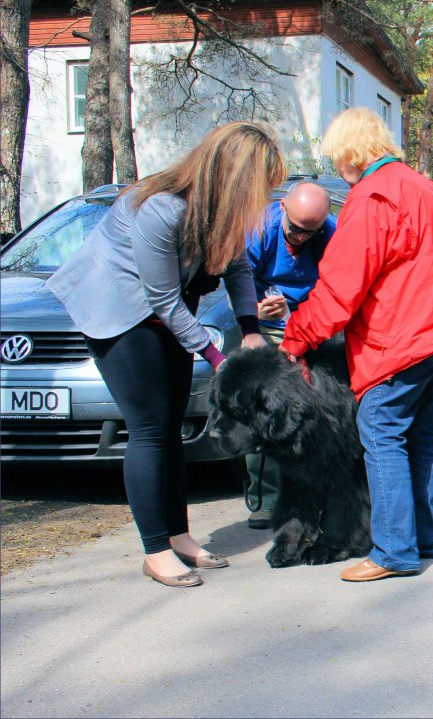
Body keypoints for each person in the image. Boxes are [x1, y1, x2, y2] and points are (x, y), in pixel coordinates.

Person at [48, 122, 287, 588]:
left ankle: (180, 537)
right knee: (150, 430)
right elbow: (162, 299)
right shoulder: (161, 208)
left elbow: (238, 266)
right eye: (262, 183)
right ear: (236, 175)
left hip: (162, 312)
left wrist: (251, 331)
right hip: (118, 310)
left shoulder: (222, 210)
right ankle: (156, 550)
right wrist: (220, 361)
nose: (265, 195)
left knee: (171, 427)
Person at [279, 107, 433, 582]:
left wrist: (294, 340)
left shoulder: (372, 198)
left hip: (409, 336)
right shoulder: (429, 190)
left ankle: (393, 552)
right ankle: (430, 540)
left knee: (381, 429)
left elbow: (341, 288)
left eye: (337, 157)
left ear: (350, 153)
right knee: (423, 435)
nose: (337, 166)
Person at [243, 180, 337, 528]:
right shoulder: (259, 229)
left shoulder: (331, 233)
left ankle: (322, 496)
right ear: (283, 206)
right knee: (265, 411)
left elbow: (340, 284)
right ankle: (266, 499)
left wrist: (310, 321)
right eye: (295, 230)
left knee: (322, 412)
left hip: (315, 327)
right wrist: (255, 312)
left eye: (309, 233)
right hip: (267, 328)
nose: (300, 238)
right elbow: (235, 283)